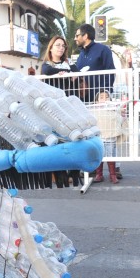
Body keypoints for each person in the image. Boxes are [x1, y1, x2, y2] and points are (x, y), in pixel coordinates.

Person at [41, 35, 82, 186]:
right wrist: (65, 74)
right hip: (53, 108)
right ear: (51, 48)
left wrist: (68, 74)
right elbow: (47, 71)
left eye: (63, 46)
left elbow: (77, 73)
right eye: (57, 45)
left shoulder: (69, 63)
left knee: (74, 138)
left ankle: (74, 174)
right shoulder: (47, 64)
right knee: (57, 140)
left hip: (70, 106)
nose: (61, 48)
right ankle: (60, 175)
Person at [74, 23, 115, 103]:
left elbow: (110, 72)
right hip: (83, 101)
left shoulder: (103, 50)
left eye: (77, 36)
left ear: (85, 36)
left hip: (99, 101)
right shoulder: (81, 54)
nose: (75, 39)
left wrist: (104, 93)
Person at [91, 91, 125, 183]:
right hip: (98, 138)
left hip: (110, 137)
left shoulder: (114, 110)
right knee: (99, 156)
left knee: (111, 156)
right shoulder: (93, 111)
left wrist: (122, 114)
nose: (105, 99)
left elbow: (120, 121)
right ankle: (99, 174)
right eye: (101, 97)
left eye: (107, 97)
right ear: (96, 101)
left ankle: (113, 175)